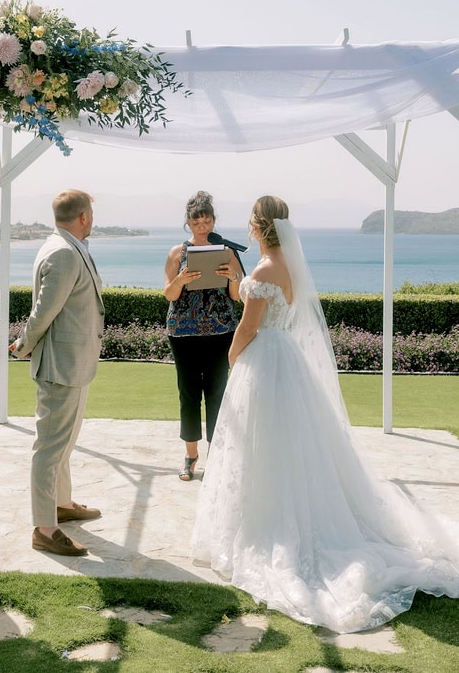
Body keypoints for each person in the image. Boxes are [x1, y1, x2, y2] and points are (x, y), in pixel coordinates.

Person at [191, 195, 459, 633]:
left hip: (263, 359)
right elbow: (266, 304)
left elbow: (249, 326)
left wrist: (233, 356)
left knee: (261, 442)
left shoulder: (264, 270)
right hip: (287, 357)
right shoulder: (290, 265)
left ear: (258, 226)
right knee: (294, 441)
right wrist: (238, 283)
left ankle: (267, 522)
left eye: (251, 222)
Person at [9, 189, 105, 556]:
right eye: (91, 213)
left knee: (62, 443)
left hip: (73, 363)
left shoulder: (66, 246)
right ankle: (45, 530)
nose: (92, 219)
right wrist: (24, 343)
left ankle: (61, 505)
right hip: (60, 366)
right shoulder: (63, 253)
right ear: (83, 217)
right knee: (50, 448)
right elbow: (43, 312)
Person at [163, 190, 244, 481]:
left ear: (213, 220)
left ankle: (216, 457)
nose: (202, 226)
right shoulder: (177, 253)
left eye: (206, 221)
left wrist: (233, 277)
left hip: (221, 332)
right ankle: (190, 455)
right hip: (183, 334)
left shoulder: (227, 252)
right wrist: (180, 280)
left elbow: (236, 295)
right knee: (188, 394)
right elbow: (169, 294)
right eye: (196, 222)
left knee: (217, 394)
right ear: (188, 222)